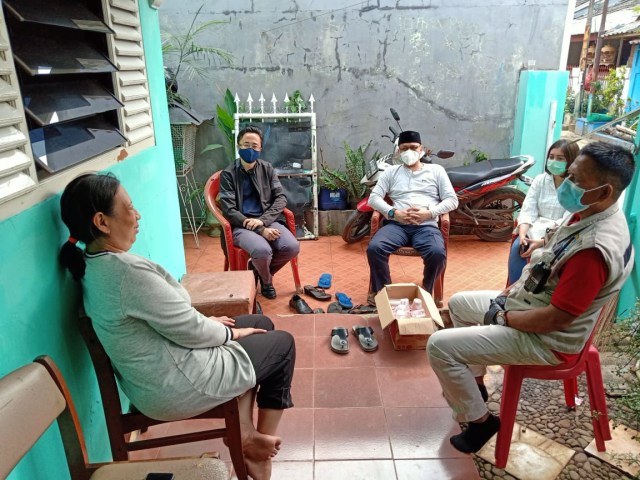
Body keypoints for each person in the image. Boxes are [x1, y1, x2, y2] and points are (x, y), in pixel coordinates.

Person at [59, 173, 295, 480]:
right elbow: (191, 331)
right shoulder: (126, 274)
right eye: (130, 208)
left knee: (260, 322)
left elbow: (171, 320)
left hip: (158, 370)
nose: (138, 214)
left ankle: (246, 434)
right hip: (177, 383)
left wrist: (213, 325)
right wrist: (231, 334)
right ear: (102, 222)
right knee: (282, 346)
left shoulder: (94, 262)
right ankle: (255, 450)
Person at [427, 141, 635, 454]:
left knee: (439, 347)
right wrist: (531, 258)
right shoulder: (588, 212)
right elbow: (555, 251)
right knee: (458, 304)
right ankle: (476, 385)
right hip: (530, 303)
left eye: (577, 180)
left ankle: (481, 422)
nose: (567, 183)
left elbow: (556, 318)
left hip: (549, 339)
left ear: (605, 191)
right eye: (569, 174)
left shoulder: (594, 251)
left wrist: (504, 317)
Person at [366, 130, 458, 305]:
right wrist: (394, 213)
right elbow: (373, 198)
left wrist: (429, 213)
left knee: (437, 253)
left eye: (413, 147)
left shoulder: (436, 171)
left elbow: (452, 200)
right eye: (405, 148)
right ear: (398, 152)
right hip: (396, 225)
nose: (409, 152)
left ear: (421, 149)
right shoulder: (391, 172)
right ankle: (384, 292)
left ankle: (426, 291)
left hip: (426, 226)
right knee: (375, 248)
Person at [219, 125, 300, 300]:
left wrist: (263, 221)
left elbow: (281, 198)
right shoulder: (228, 174)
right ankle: (267, 281)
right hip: (241, 225)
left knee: (292, 247)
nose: (250, 149)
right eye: (246, 145)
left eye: (254, 146)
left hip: (267, 220)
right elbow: (229, 210)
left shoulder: (267, 169)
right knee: (262, 251)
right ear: (238, 146)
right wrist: (260, 230)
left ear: (261, 149)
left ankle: (256, 272)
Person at [507, 139, 580, 285]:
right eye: (551, 157)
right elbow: (528, 208)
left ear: (571, 161)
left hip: (559, 235)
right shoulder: (540, 180)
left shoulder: (575, 187)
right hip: (534, 228)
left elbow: (568, 219)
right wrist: (522, 235)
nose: (554, 161)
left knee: (546, 257)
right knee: (517, 249)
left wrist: (542, 242)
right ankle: (513, 291)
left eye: (560, 158)